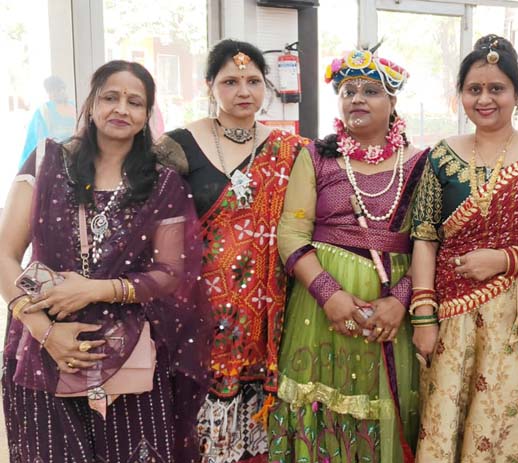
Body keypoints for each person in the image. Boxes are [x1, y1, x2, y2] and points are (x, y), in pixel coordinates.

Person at [0, 60, 211, 462]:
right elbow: (4, 255)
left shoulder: (161, 182)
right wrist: (45, 333)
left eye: (135, 102)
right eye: (110, 97)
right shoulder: (46, 162)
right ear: (91, 104)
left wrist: (93, 289)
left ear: (147, 115)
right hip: (44, 352)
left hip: (133, 352)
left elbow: (171, 273)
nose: (121, 109)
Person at [411, 34, 518, 463]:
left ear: (517, 94)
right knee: (448, 420)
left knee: (505, 423)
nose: (485, 99)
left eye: (497, 88)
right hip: (452, 318)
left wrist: (507, 259)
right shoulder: (441, 156)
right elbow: (425, 237)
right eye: (474, 89)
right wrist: (424, 316)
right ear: (461, 95)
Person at [154, 39, 310, 463]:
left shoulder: (293, 151)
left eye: (253, 81)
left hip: (267, 307)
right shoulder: (177, 146)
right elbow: (148, 222)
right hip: (198, 306)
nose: (244, 91)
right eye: (230, 81)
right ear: (211, 86)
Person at [269, 45, 426, 463]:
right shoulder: (316, 157)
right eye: (348, 89)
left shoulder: (421, 163)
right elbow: (292, 232)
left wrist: (400, 301)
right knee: (319, 410)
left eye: (371, 91)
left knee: (381, 413)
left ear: (393, 102)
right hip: (320, 310)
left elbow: (433, 242)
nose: (357, 98)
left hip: (391, 312)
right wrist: (329, 294)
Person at [20, 75, 77, 166]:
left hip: (78, 158)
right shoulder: (44, 111)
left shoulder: (75, 105)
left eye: (61, 89)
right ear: (49, 93)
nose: (59, 92)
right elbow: (35, 141)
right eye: (53, 91)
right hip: (55, 162)